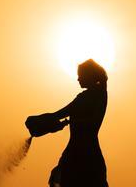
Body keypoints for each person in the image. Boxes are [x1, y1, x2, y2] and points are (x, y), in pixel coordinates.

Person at [26, 59, 109, 187]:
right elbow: (62, 115)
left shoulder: (90, 97)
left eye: (80, 75)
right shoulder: (99, 94)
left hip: (80, 155)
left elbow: (60, 115)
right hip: (87, 153)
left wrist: (40, 121)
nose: (78, 79)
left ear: (89, 75)